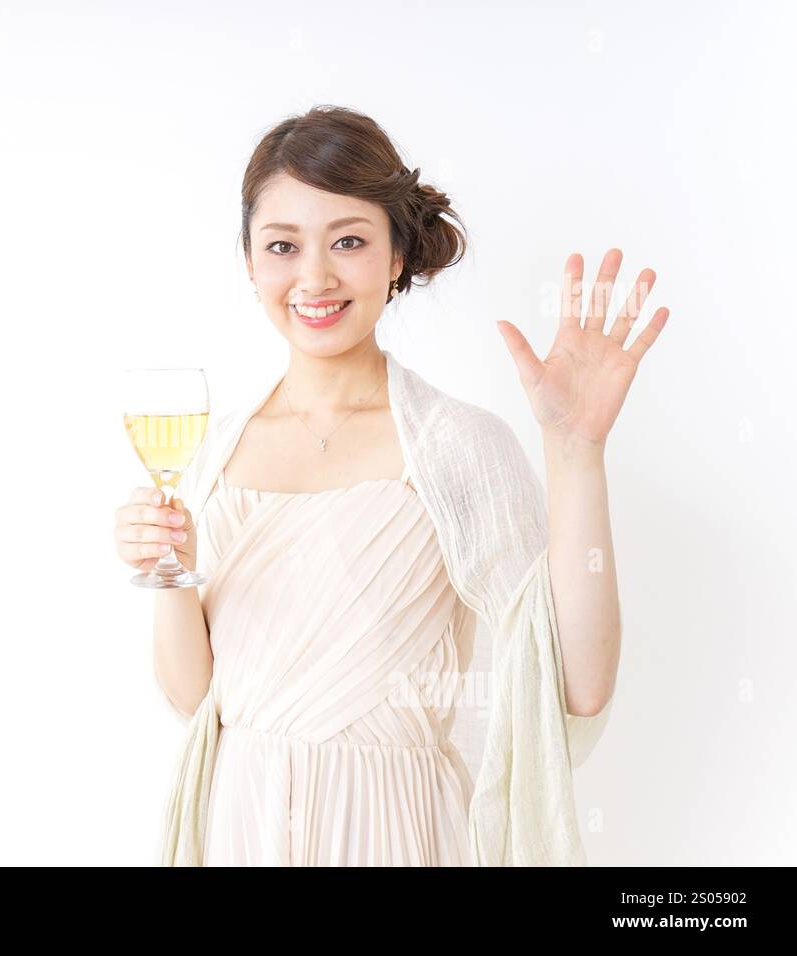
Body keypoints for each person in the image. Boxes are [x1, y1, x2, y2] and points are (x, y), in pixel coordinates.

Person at [112, 105, 669, 866]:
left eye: (349, 240)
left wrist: (576, 453)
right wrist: (166, 570)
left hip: (395, 834)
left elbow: (577, 685)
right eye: (283, 245)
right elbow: (193, 701)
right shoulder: (211, 453)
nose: (314, 276)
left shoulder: (454, 445)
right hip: (237, 828)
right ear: (249, 262)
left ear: (397, 255)